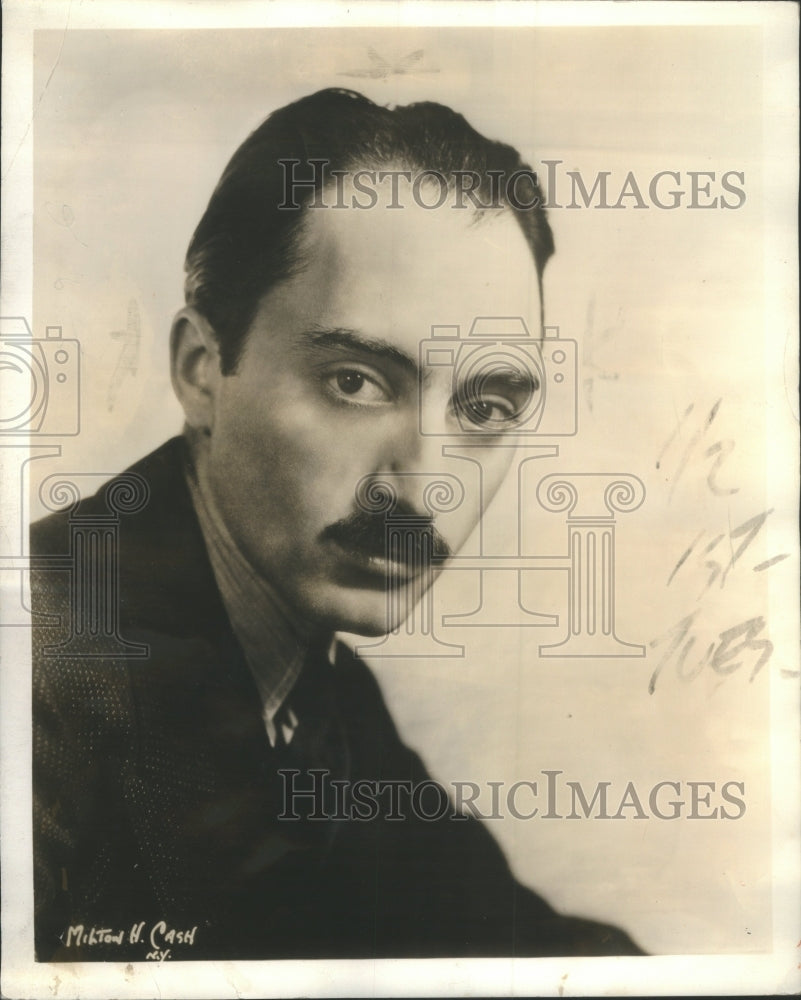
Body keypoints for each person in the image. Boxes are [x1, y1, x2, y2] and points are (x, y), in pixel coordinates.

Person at [31, 88, 642, 961]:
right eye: (357, 381)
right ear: (203, 372)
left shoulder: (319, 695)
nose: (424, 487)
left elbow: (509, 948)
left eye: (484, 404)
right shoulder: (42, 677)